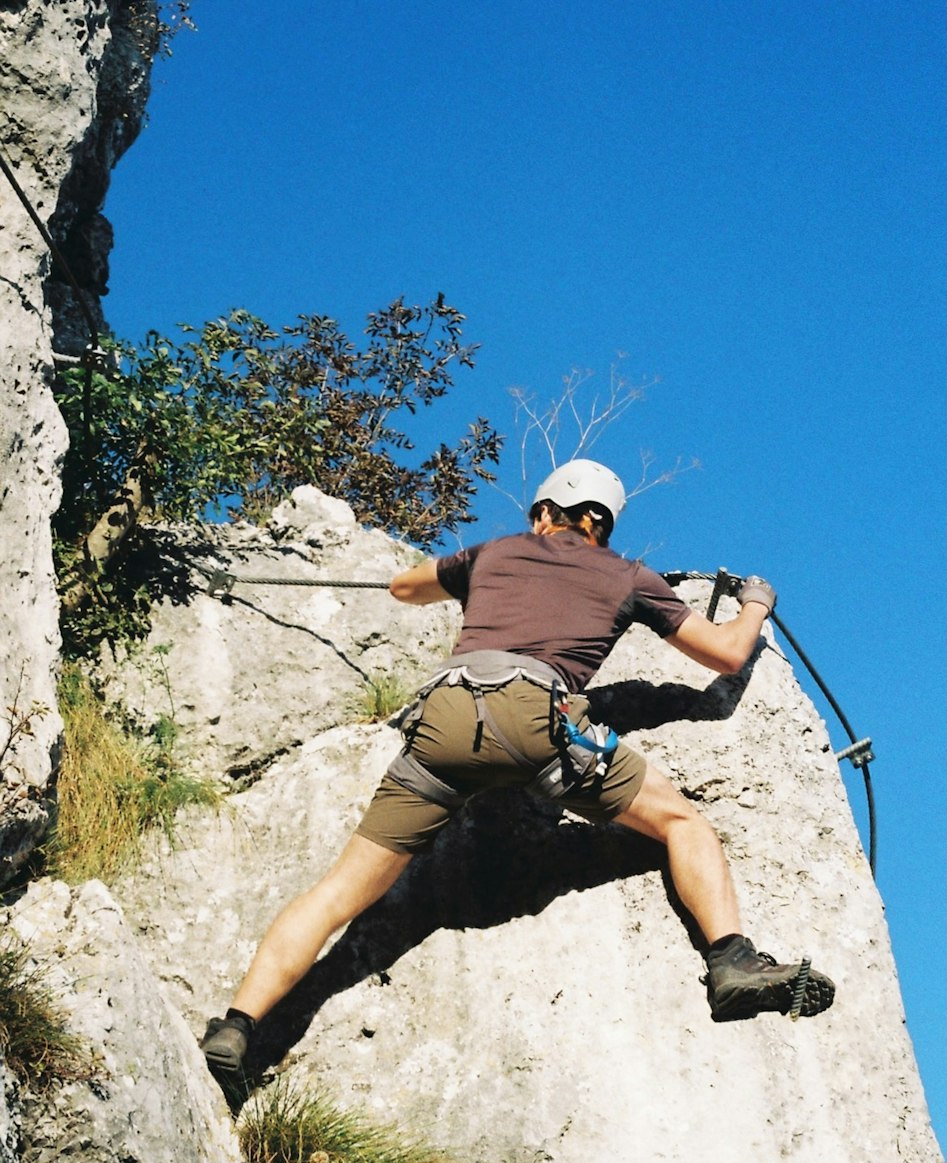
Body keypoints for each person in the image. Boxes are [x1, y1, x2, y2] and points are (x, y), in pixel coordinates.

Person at [201, 459, 834, 1075]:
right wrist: (754, 603)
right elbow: (725, 655)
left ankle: (237, 1025)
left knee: (337, 893)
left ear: (543, 513)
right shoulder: (630, 578)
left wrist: (472, 577)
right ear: (602, 525)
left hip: (445, 720)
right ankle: (732, 962)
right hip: (538, 723)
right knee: (681, 824)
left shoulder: (494, 553)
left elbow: (402, 586)